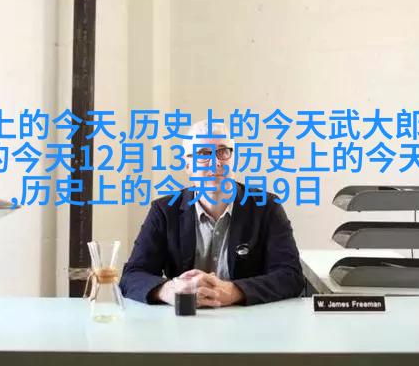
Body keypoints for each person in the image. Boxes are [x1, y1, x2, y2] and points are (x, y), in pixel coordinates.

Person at [119, 120, 305, 306]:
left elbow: (291, 276)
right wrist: (170, 290)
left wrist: (234, 291)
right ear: (188, 165)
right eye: (203, 154)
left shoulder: (267, 207)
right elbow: (131, 276)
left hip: (251, 319)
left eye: (223, 151)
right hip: (184, 318)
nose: (215, 163)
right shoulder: (164, 211)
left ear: (234, 159)